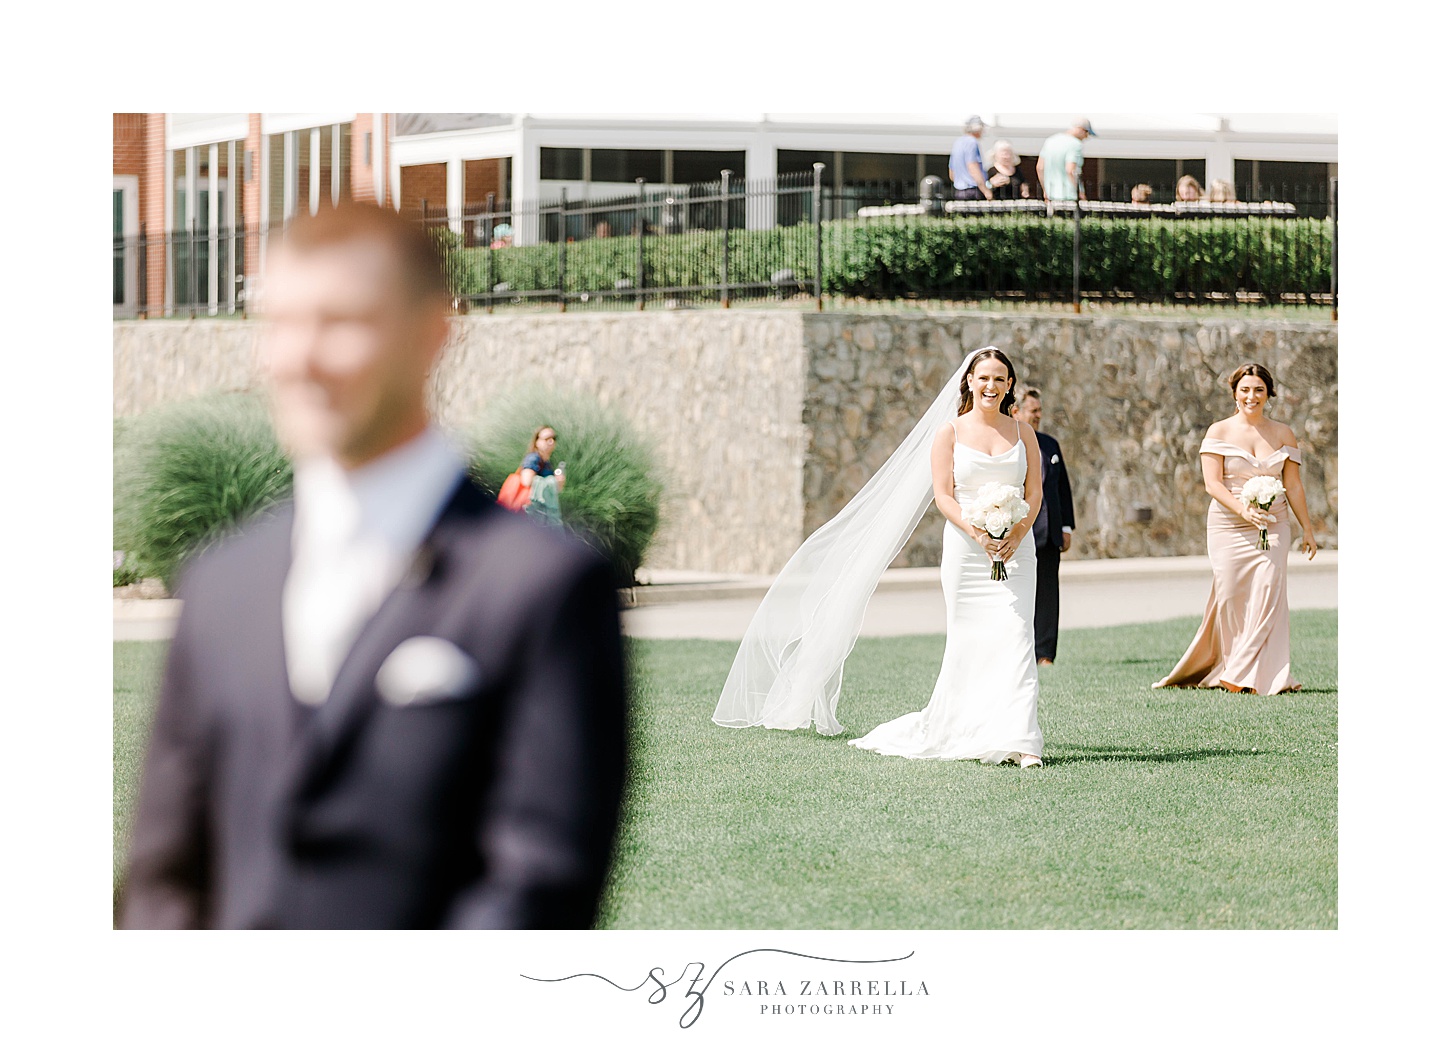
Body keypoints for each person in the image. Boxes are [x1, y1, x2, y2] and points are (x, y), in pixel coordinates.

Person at [120, 203, 627, 929]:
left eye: (341, 322)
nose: (300, 357)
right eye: (282, 324)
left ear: (431, 335)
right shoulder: (220, 582)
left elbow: (539, 884)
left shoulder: (541, 586)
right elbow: (163, 876)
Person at [713, 348, 1044, 769]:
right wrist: (978, 533)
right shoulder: (949, 433)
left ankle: (1024, 739)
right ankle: (973, 729)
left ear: (1010, 384)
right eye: (983, 378)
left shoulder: (1023, 433)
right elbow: (944, 495)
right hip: (967, 552)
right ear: (969, 382)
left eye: (1000, 379)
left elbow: (1033, 493)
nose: (991, 387)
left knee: (1017, 636)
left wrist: (1016, 531)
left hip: (1018, 551)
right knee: (971, 642)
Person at [1154, 363, 1319, 695]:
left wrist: (1308, 530)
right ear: (1234, 393)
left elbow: (1294, 486)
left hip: (1274, 525)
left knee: (1269, 592)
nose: (1251, 396)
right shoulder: (1218, 431)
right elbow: (1212, 485)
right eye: (1245, 390)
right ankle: (1232, 666)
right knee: (1229, 595)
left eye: (1258, 390)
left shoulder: (1284, 433)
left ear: (1268, 393)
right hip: (1229, 526)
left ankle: (1260, 675)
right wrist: (1244, 510)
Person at [1013, 387, 1075, 665]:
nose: (1038, 415)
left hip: (1049, 534)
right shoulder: (1008, 445)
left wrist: (1067, 527)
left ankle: (1045, 653)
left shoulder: (1050, 445)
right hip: (1020, 533)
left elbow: (1063, 489)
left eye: (1039, 410)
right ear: (1016, 411)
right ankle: (1018, 648)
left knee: (1048, 595)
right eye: (1033, 410)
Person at [1036, 117, 1095, 203]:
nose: (1086, 137)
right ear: (1081, 130)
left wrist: (1046, 190)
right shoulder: (1075, 144)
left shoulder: (1050, 141)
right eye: (1087, 133)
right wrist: (1080, 192)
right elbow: (1070, 170)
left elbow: (1040, 167)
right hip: (1069, 196)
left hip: (1051, 195)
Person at [520, 425, 566, 526]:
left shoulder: (547, 462)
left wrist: (557, 482)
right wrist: (552, 481)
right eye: (547, 439)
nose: (551, 442)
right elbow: (526, 481)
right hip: (531, 512)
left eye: (553, 438)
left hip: (541, 513)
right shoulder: (533, 458)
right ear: (537, 441)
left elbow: (556, 489)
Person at [948, 115, 993, 200]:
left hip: (959, 191)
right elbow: (972, 165)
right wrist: (985, 190)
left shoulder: (958, 142)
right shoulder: (972, 142)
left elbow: (951, 171)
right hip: (972, 191)